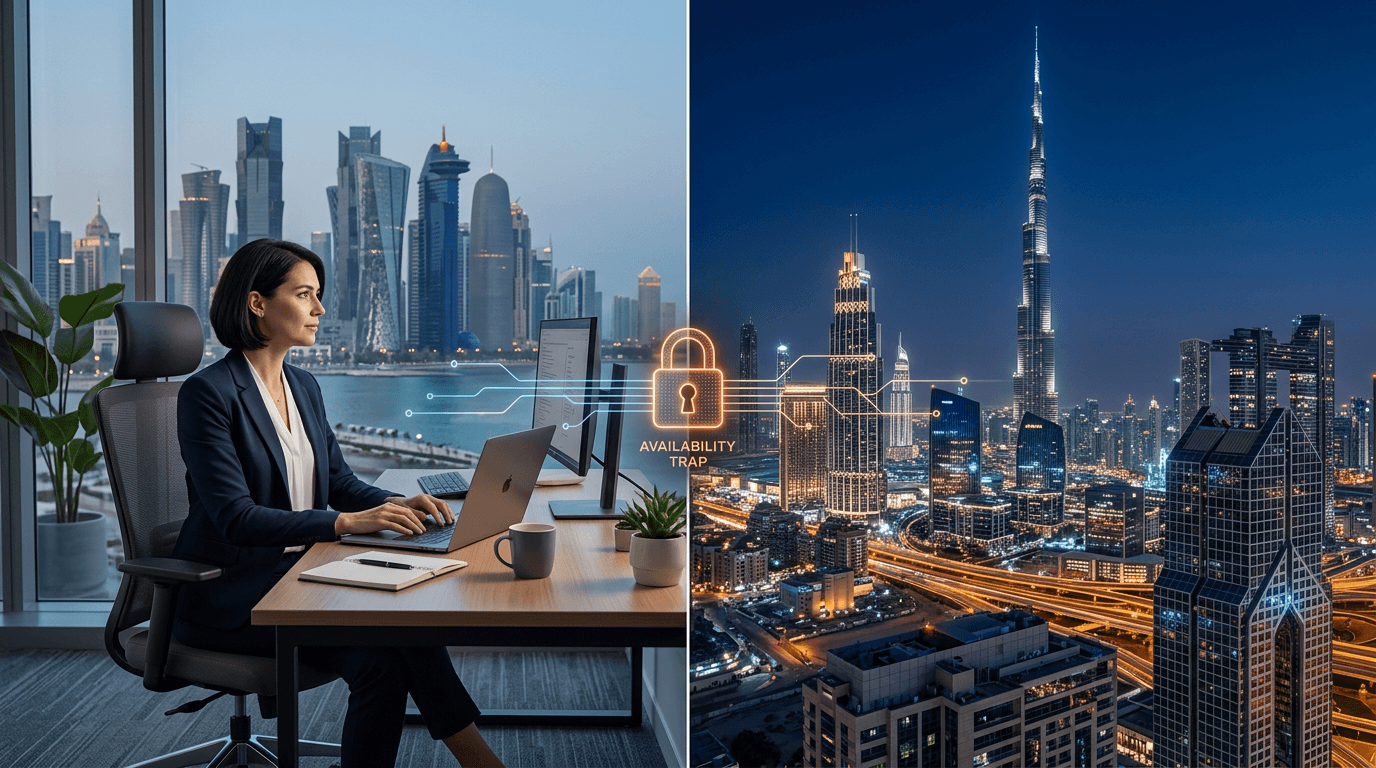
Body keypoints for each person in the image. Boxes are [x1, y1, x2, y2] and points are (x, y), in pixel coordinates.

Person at [170, 238, 503, 767]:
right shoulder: (208, 394)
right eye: (304, 295)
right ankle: (480, 760)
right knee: (392, 628)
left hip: (300, 573)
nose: (319, 310)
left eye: (317, 295)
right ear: (257, 303)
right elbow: (235, 518)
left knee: (385, 656)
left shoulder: (303, 385)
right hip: (230, 591)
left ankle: (476, 758)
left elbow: (339, 481)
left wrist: (398, 503)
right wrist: (348, 522)